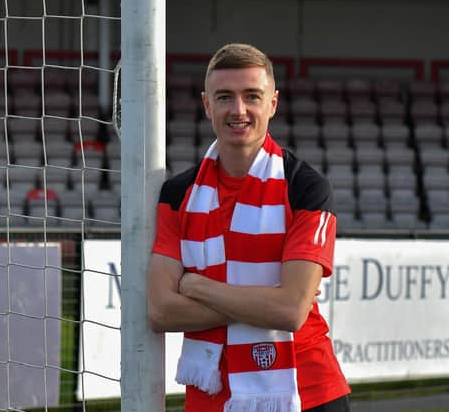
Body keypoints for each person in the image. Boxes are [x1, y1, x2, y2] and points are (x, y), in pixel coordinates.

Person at [147, 43, 350, 412]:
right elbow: (161, 310)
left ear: (272, 103)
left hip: (307, 391)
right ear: (207, 105)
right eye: (224, 97)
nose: (238, 110)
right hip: (212, 393)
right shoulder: (177, 194)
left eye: (251, 96)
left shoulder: (306, 187)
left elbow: (289, 313)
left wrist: (196, 286)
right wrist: (267, 299)